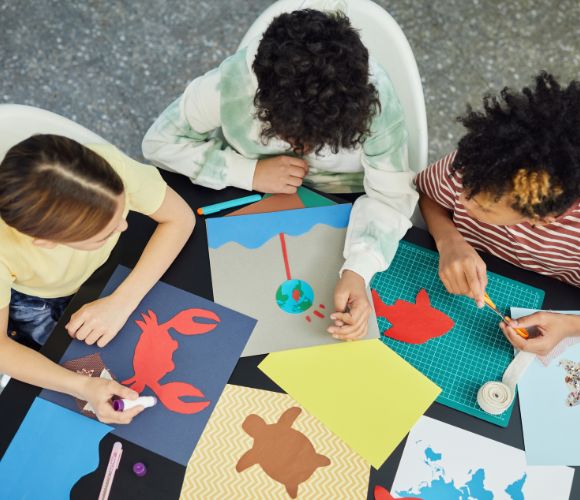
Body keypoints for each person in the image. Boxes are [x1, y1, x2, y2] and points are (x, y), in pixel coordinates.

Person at [142, 8, 418, 340]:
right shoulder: (232, 85)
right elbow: (159, 142)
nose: (302, 149)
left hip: (345, 204)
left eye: (322, 142)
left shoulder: (379, 102)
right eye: (291, 136)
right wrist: (249, 172)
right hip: (240, 190)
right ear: (262, 100)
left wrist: (359, 270)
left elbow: (390, 197)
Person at [0, 134, 195, 424]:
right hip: (33, 297)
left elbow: (181, 218)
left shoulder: (107, 167)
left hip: (100, 274)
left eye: (122, 208)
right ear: (46, 242)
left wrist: (123, 301)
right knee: (55, 359)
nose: (125, 225)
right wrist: (83, 386)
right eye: (104, 234)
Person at [415, 71, 580, 355]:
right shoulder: (479, 164)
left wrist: (568, 326)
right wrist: (448, 239)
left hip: (557, 299)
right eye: (466, 187)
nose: (463, 201)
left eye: (485, 208)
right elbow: (430, 196)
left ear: (541, 218)